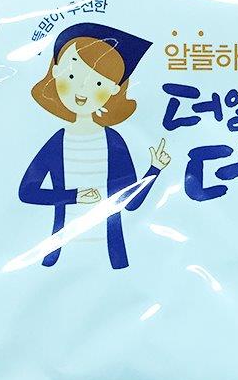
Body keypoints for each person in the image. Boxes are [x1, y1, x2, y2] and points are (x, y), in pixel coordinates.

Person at [19, 22, 171, 269]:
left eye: (98, 83)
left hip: (110, 258)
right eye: (72, 76)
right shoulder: (58, 142)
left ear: (113, 90)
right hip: (60, 258)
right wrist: (74, 197)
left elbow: (130, 202)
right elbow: (27, 192)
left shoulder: (114, 142)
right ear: (55, 73)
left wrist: (155, 169)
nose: (82, 89)